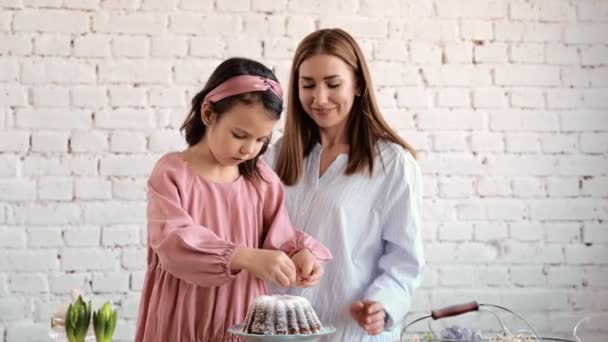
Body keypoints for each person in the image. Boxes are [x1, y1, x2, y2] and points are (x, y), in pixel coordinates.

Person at [135, 57, 332, 342]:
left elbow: (278, 234)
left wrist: (298, 253)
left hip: (243, 313)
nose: (249, 149)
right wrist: (242, 256)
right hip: (181, 312)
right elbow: (173, 242)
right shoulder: (173, 172)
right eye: (240, 135)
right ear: (208, 113)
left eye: (261, 140)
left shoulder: (260, 178)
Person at [264, 28, 425, 341]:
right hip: (281, 331)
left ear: (358, 84)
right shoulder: (276, 156)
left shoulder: (392, 163)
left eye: (333, 84)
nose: (319, 98)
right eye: (307, 85)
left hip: (348, 331)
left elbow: (405, 259)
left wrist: (383, 303)